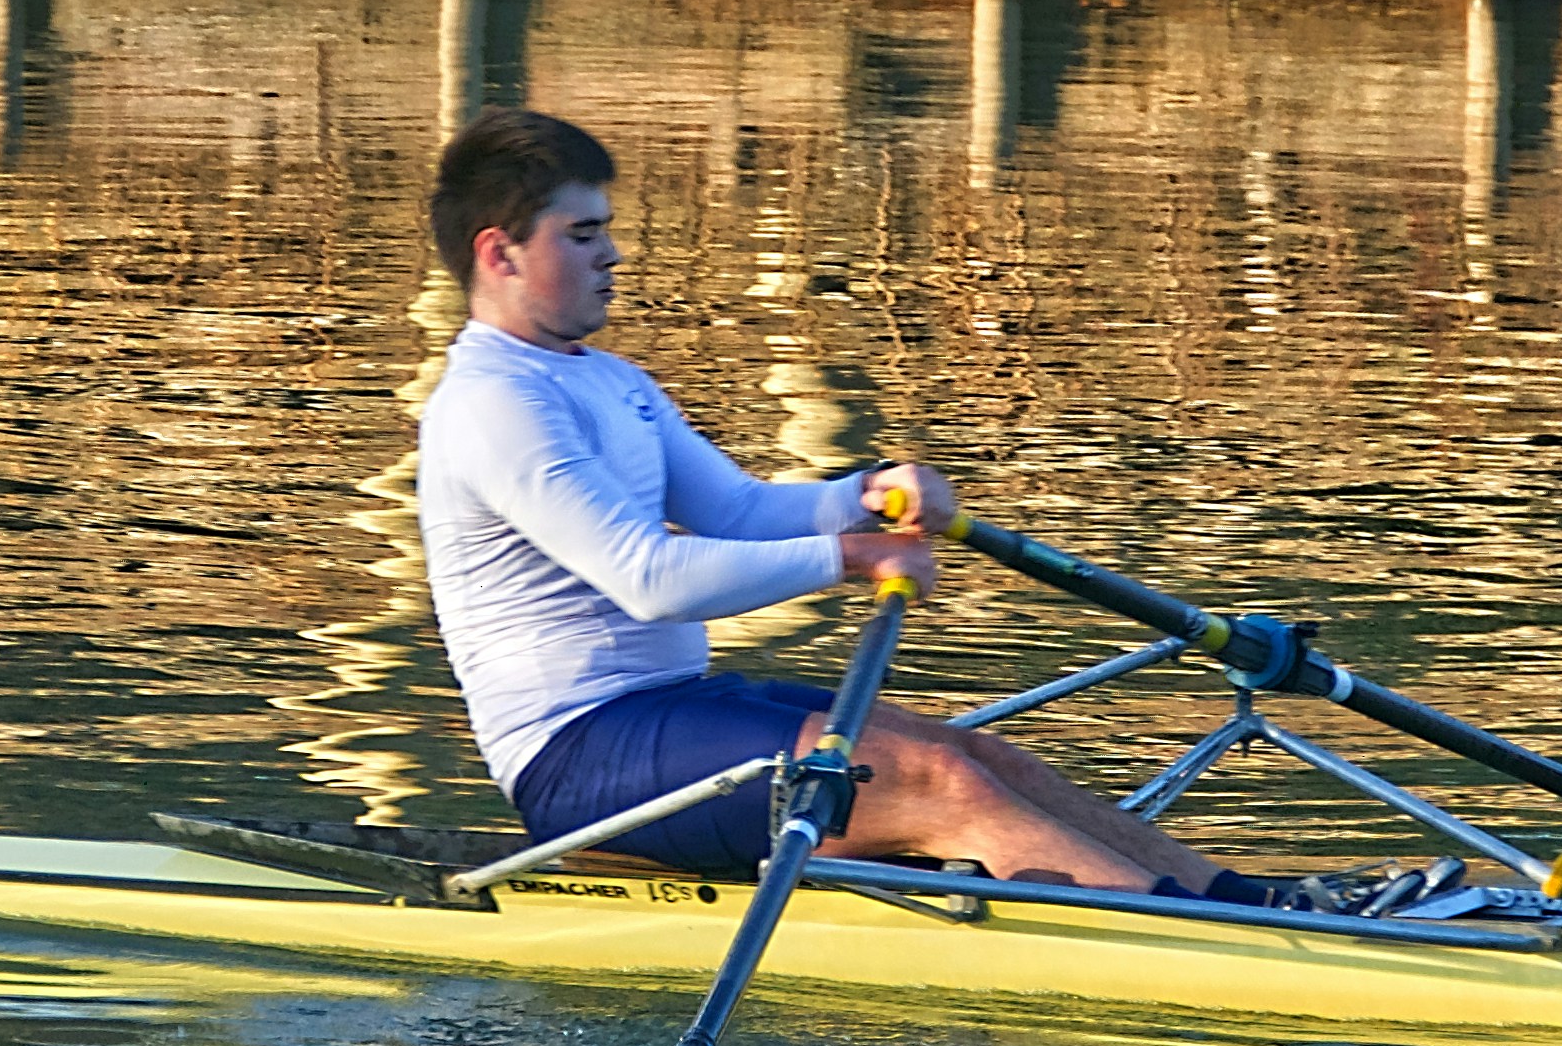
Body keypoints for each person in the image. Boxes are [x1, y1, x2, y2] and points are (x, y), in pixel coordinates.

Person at [413, 106, 1331, 904]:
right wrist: (851, 559)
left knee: (976, 757)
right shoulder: (495, 402)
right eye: (582, 234)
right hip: (581, 756)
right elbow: (648, 580)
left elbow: (735, 510)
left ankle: (1264, 901)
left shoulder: (612, 381)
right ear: (500, 251)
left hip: (674, 707)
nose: (613, 252)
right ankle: (1214, 941)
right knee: (931, 780)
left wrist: (863, 496)